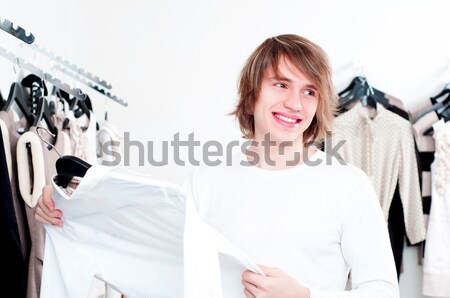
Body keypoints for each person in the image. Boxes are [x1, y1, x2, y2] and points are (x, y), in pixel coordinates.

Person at [35, 34, 399, 298]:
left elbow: (384, 292)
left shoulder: (347, 185)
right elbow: (160, 261)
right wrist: (70, 209)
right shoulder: (206, 181)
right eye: (281, 85)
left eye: (309, 91)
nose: (294, 103)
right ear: (252, 93)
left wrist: (304, 297)